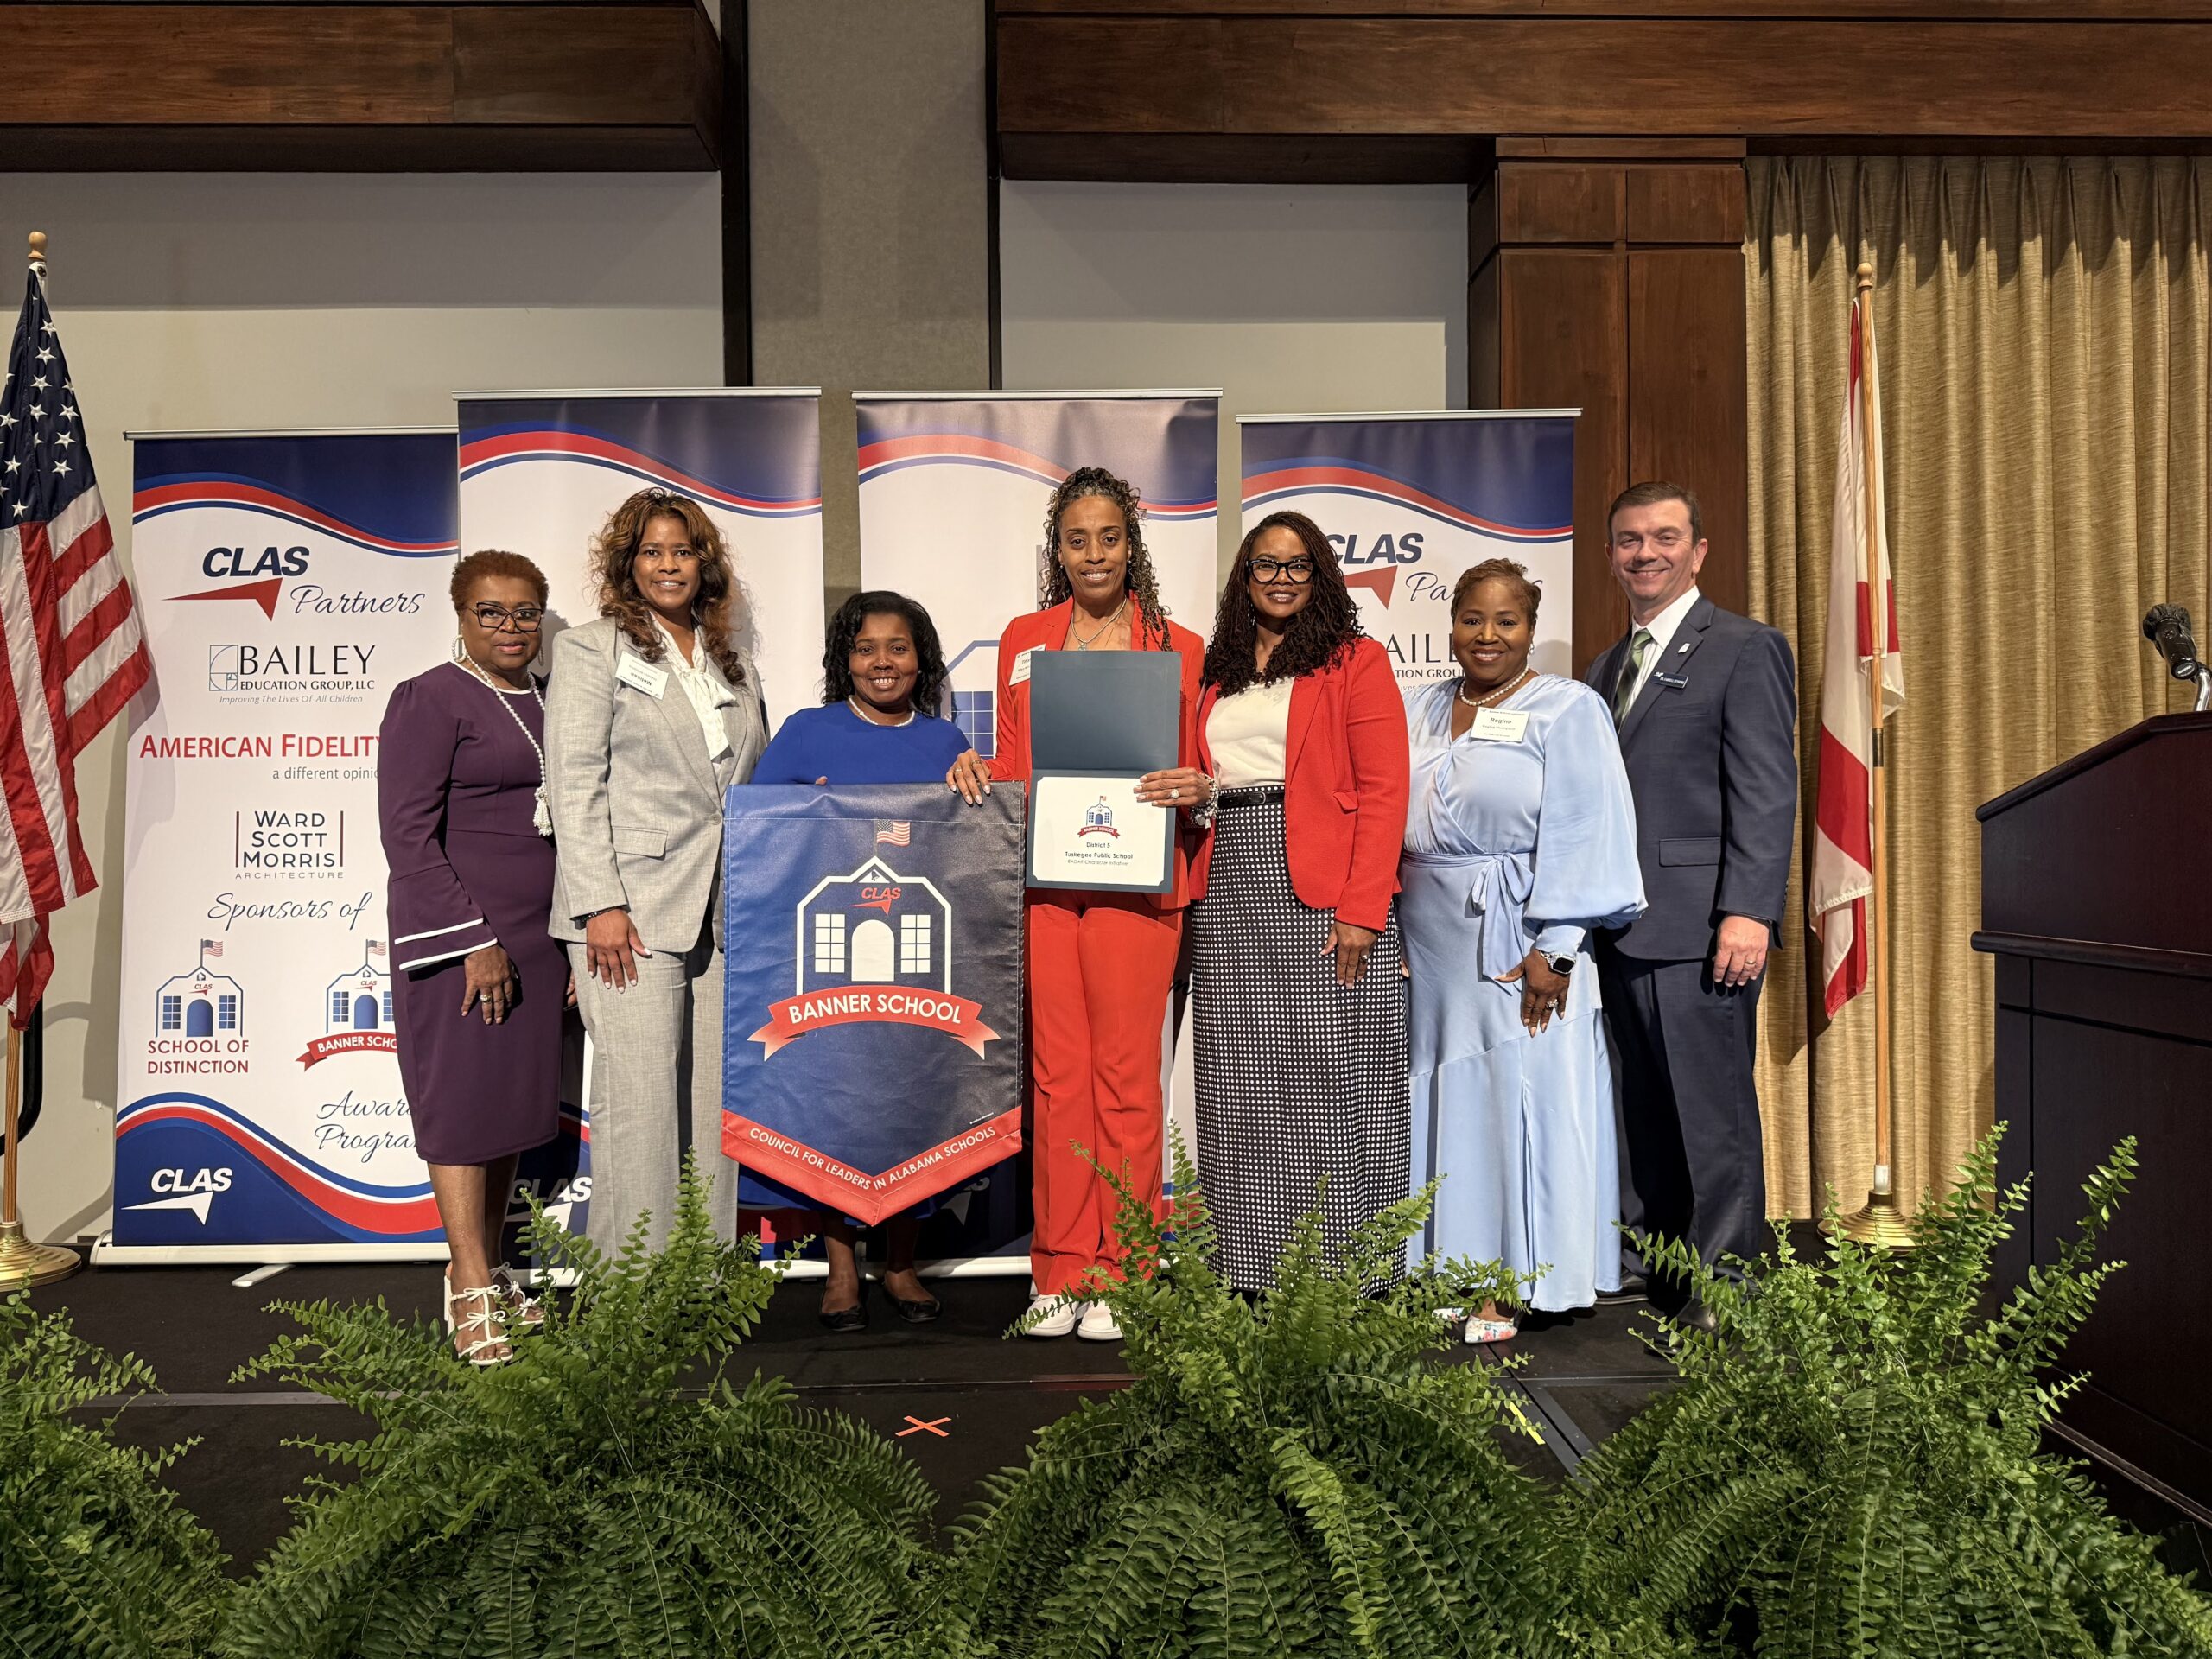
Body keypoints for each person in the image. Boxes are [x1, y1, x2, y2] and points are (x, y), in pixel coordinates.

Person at [945, 467, 1207, 1342]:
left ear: (1130, 545)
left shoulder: (1180, 643)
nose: (1093, 554)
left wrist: (1193, 787)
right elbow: (1015, 759)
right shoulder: (1025, 636)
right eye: (1076, 539)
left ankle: (1125, 1273)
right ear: (1056, 549)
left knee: (1127, 1082)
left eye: (1108, 537)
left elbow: (1199, 764)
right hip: (1048, 886)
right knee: (1058, 1082)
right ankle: (1059, 1269)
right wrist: (978, 767)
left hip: (1141, 889)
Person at [1402, 560, 1645, 1342]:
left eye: (1506, 621)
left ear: (1532, 629)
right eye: (1473, 618)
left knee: (1517, 1101)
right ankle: (1451, 1265)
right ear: (1452, 625)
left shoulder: (1566, 709)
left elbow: (1587, 827)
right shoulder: (1421, 706)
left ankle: (1512, 1282)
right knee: (1447, 1105)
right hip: (1431, 946)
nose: (1488, 636)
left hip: (1521, 940)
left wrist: (1561, 946)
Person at [1586, 481, 1796, 1332]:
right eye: (1630, 540)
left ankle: (1727, 1287)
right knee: (1643, 1115)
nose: (1646, 553)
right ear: (1612, 556)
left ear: (1699, 551)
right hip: (1622, 928)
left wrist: (1748, 910)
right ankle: (1661, 1268)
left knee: (1711, 1117)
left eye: (1664, 537)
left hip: (1704, 926)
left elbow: (1766, 790)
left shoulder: (1745, 649)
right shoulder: (1605, 668)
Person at [1186, 510, 1409, 1291]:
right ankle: (1250, 1269)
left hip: (1323, 883)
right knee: (1239, 1081)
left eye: (1296, 566)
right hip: (1226, 881)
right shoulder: (1217, 668)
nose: (1280, 579)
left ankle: (1347, 1271)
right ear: (1243, 579)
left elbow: (1385, 793)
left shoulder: (1355, 660)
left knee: (1334, 1078)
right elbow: (1206, 772)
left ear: (1320, 577)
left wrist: (1363, 907)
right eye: (1264, 566)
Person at [545, 489, 766, 1258]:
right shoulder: (589, 648)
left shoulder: (730, 663)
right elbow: (574, 783)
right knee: (639, 1108)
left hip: (721, 910)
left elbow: (748, 786)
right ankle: (631, 1298)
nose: (668, 564)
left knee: (709, 1109)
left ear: (703, 563)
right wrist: (599, 903)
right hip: (629, 913)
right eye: (651, 552)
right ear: (626, 565)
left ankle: (699, 1285)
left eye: (682, 551)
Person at [747, 590, 968, 1332]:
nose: (882, 661)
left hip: (921, 963)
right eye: (865, 647)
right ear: (844, 659)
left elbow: (971, 847)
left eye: (897, 647)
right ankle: (842, 1270)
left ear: (920, 658)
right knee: (835, 1106)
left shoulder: (945, 743)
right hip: (822, 963)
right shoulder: (807, 733)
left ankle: (898, 1264)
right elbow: (756, 834)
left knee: (909, 1100)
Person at [379, 550, 567, 1364]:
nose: (510, 627)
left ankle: (486, 1273)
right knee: (461, 1112)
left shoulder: (553, 698)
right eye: (491, 611)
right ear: (461, 615)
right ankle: (468, 1292)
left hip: (538, 933)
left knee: (510, 1114)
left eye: (526, 612)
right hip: (465, 940)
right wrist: (473, 941)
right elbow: (407, 836)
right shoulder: (428, 698)